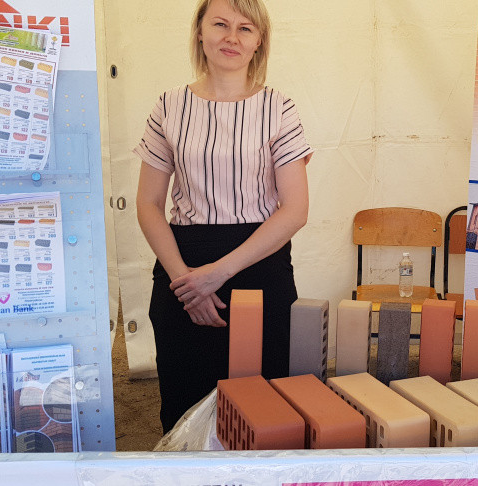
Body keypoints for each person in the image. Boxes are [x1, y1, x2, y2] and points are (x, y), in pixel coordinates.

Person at [133, 0, 312, 433]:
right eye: (220, 24)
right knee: (185, 405)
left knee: (264, 412)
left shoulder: (279, 108)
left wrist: (216, 274)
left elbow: (295, 210)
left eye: (245, 28)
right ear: (200, 31)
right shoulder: (169, 106)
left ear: (259, 42)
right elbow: (149, 203)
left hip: (260, 263)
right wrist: (187, 283)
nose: (232, 37)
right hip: (182, 267)